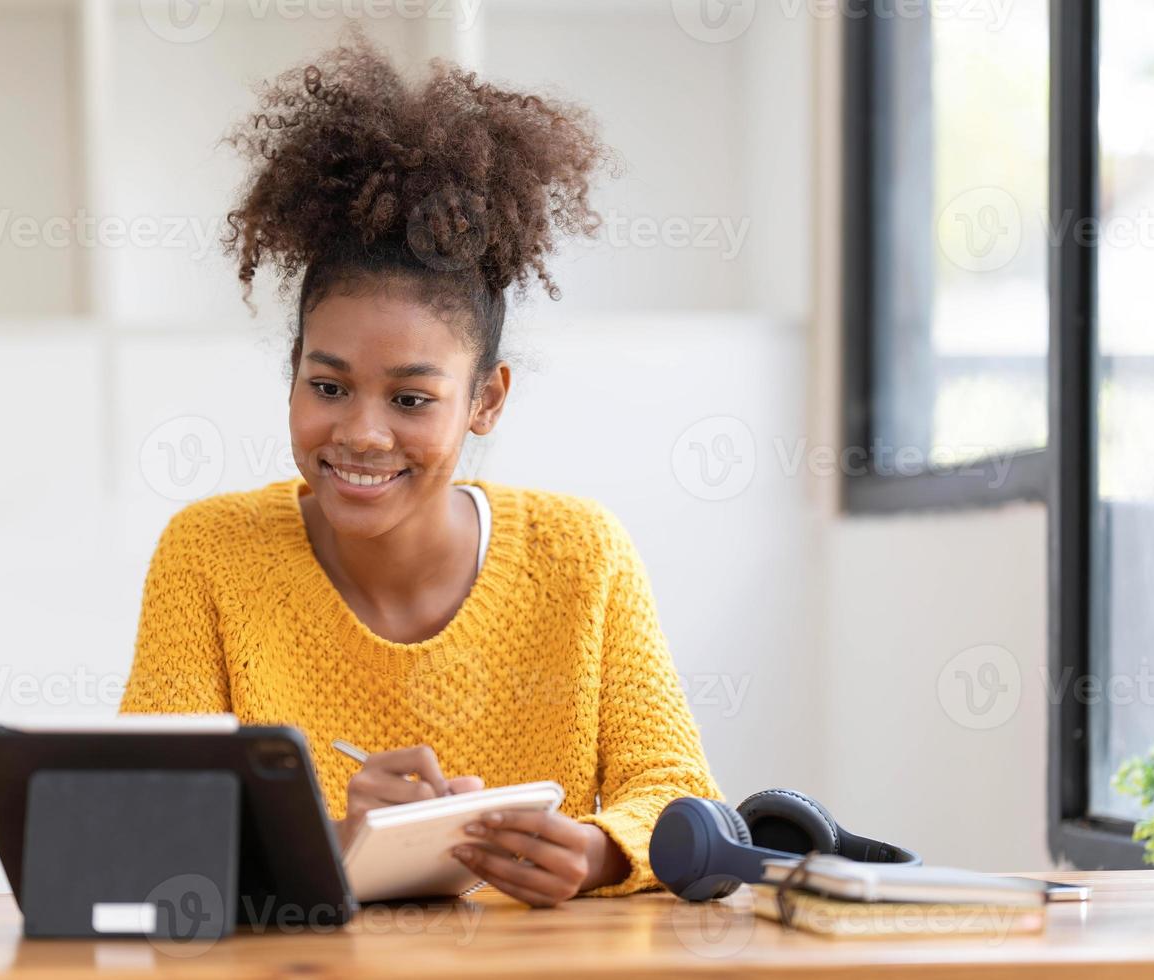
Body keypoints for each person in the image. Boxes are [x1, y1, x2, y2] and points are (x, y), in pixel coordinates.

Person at [120, 29, 720, 906]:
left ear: (485, 400)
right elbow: (141, 832)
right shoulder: (210, 555)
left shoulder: (583, 555)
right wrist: (341, 843)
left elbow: (678, 797)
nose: (361, 434)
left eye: (410, 399)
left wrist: (597, 853)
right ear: (292, 372)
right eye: (328, 384)